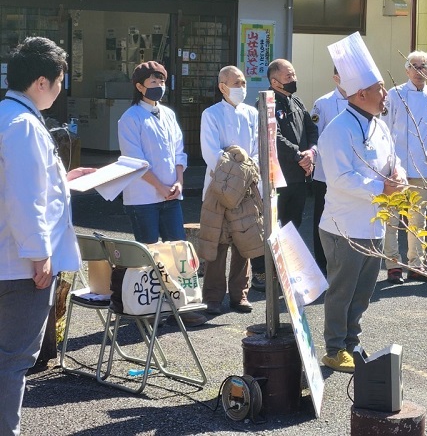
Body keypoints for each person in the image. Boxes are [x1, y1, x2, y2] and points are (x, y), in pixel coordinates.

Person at [0, 37, 96, 436]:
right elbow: (24, 197)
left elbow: (26, 184)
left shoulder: (9, 115)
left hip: (11, 257)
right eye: (59, 81)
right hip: (20, 265)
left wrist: (62, 178)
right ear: (41, 81)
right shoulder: (24, 125)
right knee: (14, 359)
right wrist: (39, 255)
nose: (60, 90)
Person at [318, 32, 406, 373]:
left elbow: (392, 159)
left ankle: (351, 342)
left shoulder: (379, 126)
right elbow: (340, 178)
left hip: (372, 222)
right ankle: (334, 347)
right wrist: (382, 188)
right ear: (362, 93)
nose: (386, 95)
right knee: (342, 290)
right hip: (344, 225)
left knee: (364, 290)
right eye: (382, 88)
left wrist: (395, 175)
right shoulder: (338, 129)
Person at [117, 61, 206, 327]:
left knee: (178, 251)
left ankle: (183, 305)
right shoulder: (130, 118)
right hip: (143, 196)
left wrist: (179, 182)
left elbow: (179, 151)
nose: (159, 87)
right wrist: (160, 186)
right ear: (139, 86)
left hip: (171, 194)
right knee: (147, 253)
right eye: (153, 82)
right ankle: (147, 307)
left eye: (162, 82)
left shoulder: (167, 113)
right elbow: (135, 161)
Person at [250, 59, 318, 291]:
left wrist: (311, 152)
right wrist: (298, 155)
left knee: (293, 222)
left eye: (294, 74)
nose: (293, 79)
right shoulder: (265, 102)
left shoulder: (296, 100)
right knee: (270, 225)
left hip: (299, 176)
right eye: (288, 76)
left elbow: (311, 128)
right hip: (276, 176)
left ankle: (285, 267)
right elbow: (273, 136)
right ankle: (262, 270)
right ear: (274, 81)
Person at [199, 66, 259, 314]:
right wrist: (236, 175)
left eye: (244, 83)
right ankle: (213, 296)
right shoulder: (211, 114)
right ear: (223, 86)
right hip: (219, 187)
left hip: (248, 187)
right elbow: (211, 153)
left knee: (244, 241)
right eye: (236, 83)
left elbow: (257, 149)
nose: (241, 88)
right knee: (217, 241)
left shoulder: (253, 113)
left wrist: (247, 173)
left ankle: (240, 294)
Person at [383, 51, 427, 284]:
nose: (419, 71)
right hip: (396, 166)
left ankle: (417, 264)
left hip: (422, 165)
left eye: (424, 66)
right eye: (414, 66)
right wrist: (388, 165)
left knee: (419, 218)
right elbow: (384, 131)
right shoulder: (394, 94)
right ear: (407, 70)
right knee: (392, 218)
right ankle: (392, 265)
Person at [309, 67, 349, 275]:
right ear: (336, 77)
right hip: (326, 173)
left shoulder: (361, 100)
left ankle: (343, 262)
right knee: (322, 218)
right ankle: (322, 264)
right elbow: (315, 136)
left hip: (352, 173)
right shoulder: (322, 103)